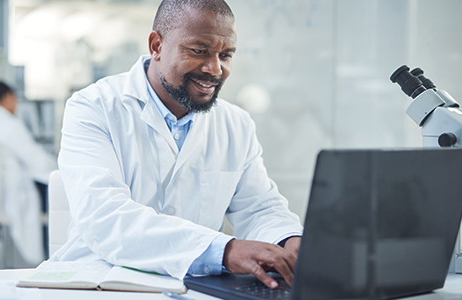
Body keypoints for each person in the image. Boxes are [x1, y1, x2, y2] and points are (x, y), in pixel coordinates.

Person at [52, 0, 303, 289]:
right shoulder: (94, 107)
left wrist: (289, 240)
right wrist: (225, 250)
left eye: (226, 55)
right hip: (100, 283)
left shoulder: (236, 124)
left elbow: (259, 208)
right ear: (156, 45)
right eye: (199, 51)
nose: (214, 68)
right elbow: (105, 218)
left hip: (194, 288)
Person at [0, 81, 57, 265]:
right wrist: (60, 166)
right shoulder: (10, 124)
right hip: (8, 196)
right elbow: (36, 160)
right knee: (56, 189)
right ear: (8, 97)